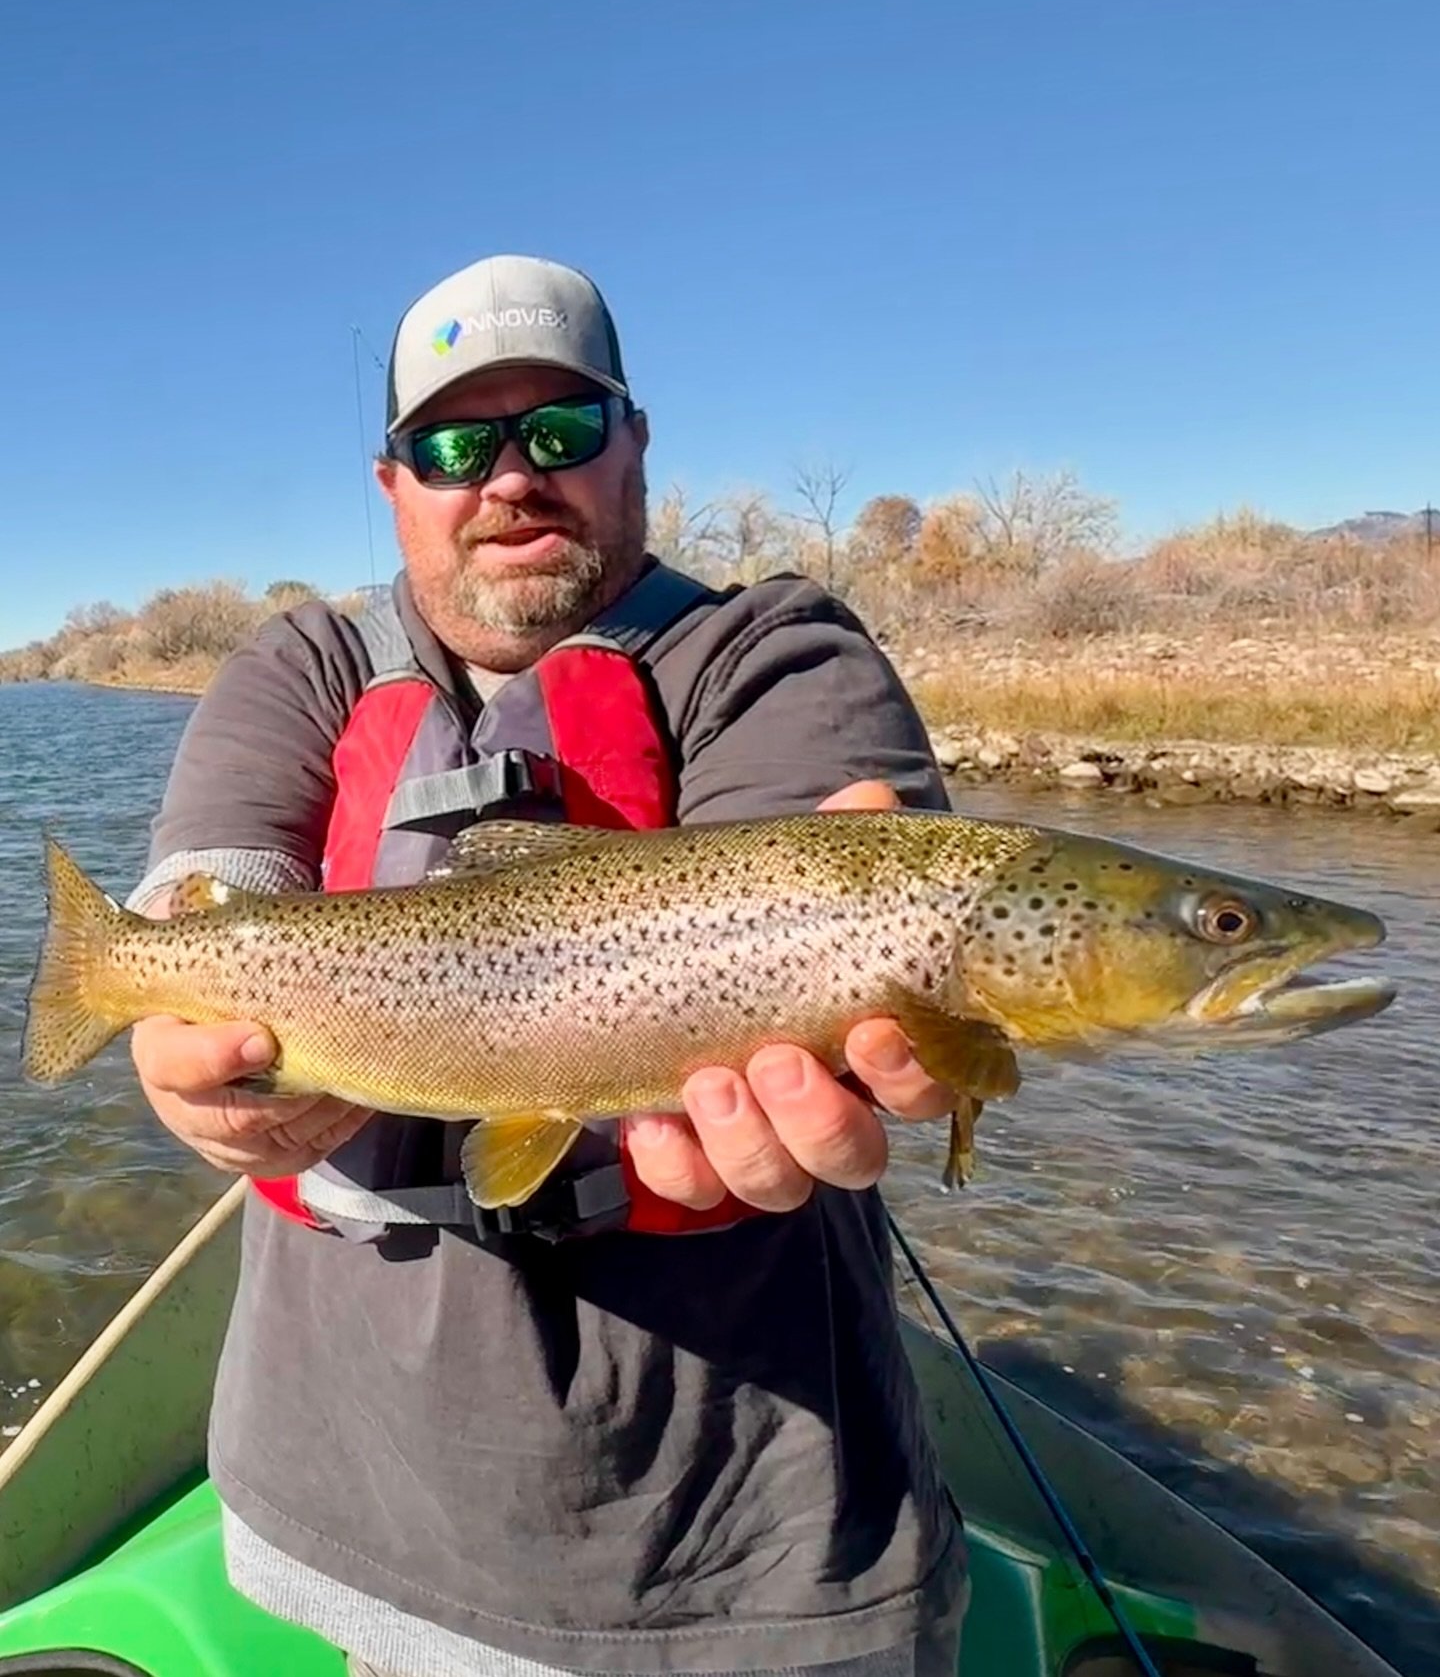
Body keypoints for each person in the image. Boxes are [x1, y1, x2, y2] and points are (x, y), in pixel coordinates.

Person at [126, 254, 969, 1677]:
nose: (511, 475)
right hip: (343, 1504)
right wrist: (184, 1059)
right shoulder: (299, 664)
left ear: (635, 443)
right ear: (395, 484)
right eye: (456, 444)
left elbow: (850, 899)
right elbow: (212, 897)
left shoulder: (779, 653)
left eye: (562, 431)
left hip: (738, 1550)